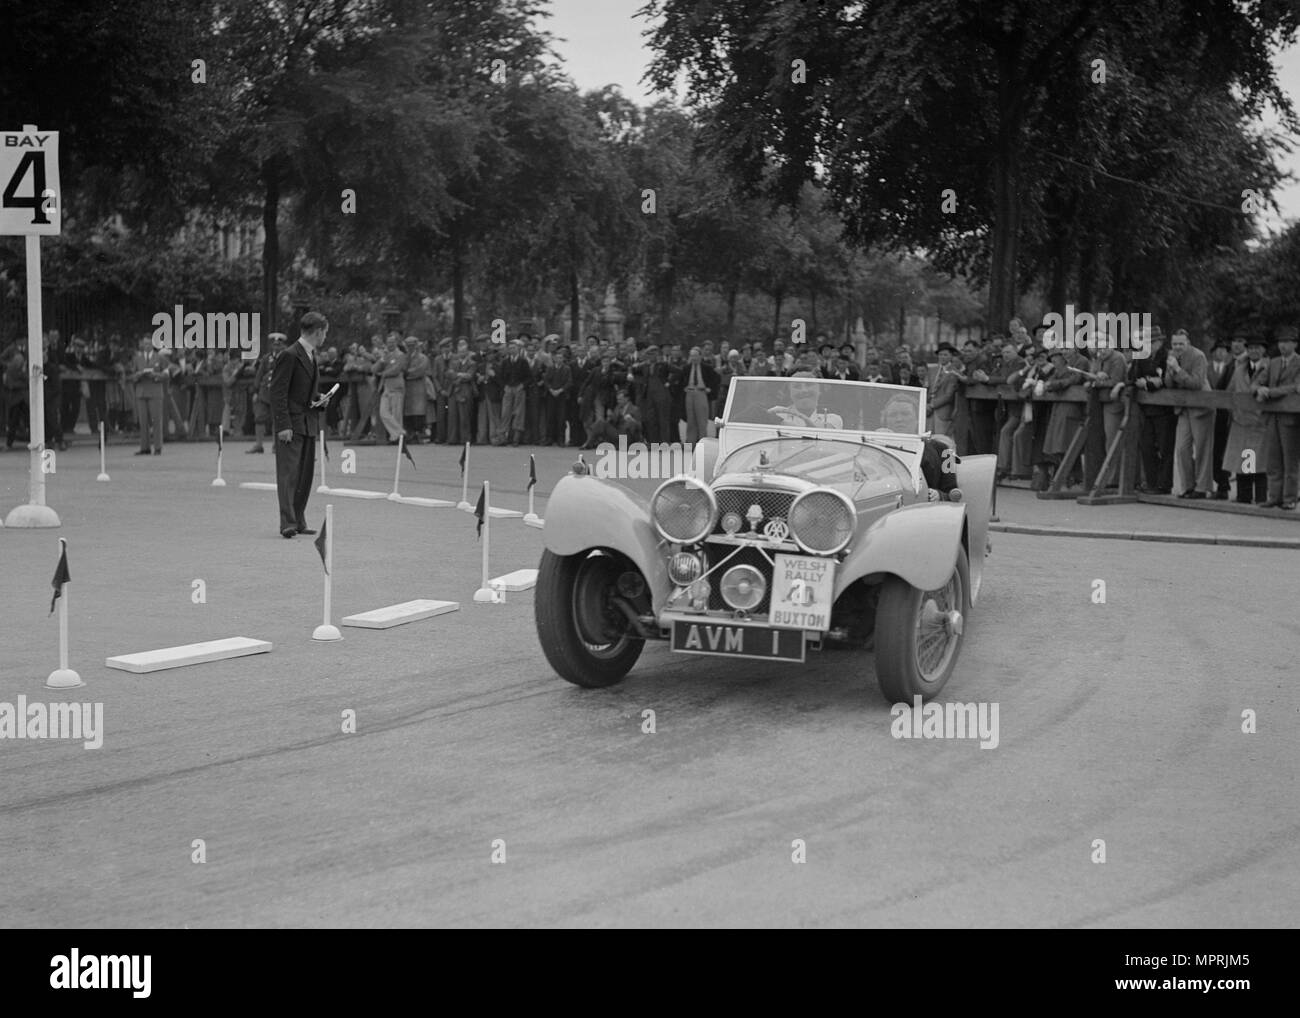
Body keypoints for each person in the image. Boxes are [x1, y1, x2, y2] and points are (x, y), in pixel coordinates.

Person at [271, 311, 332, 538]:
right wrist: (283, 425)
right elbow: (278, 393)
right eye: (324, 332)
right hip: (292, 424)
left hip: (308, 422)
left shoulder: (310, 354)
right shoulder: (289, 354)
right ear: (318, 332)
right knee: (288, 475)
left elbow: (305, 393)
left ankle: (298, 519)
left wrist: (319, 400)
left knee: (305, 475)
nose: (325, 337)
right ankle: (287, 522)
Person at [1167, 328, 1214, 499]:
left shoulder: (1198, 356)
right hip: (1183, 408)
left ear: (1188, 343)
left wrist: (1177, 370)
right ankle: (1187, 485)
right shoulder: (1172, 357)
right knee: (1181, 449)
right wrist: (1170, 371)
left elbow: (1196, 383)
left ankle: (1202, 487)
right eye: (1174, 344)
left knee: (1202, 449)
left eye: (1181, 343)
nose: (1177, 347)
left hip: (1201, 407)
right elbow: (1169, 384)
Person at [1223, 333, 1270, 504]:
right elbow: (1230, 393)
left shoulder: (1269, 367)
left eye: (1257, 348)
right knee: (1244, 459)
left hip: (1261, 423)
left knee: (1260, 463)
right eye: (1250, 348)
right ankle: (1244, 496)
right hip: (1241, 421)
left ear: (1263, 350)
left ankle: (1261, 497)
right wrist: (1233, 413)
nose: (1253, 351)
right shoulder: (1239, 369)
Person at [1257, 324, 1300, 509]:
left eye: (1287, 342)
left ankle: (1289, 498)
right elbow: (1257, 382)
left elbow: (1294, 387)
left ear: (1295, 344)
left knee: (1290, 460)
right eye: (1280, 342)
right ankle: (1274, 496)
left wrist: (1270, 392)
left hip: (1290, 419)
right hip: (1272, 417)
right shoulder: (1272, 362)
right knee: (1273, 459)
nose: (1282, 346)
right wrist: (1259, 389)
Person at [247, 333, 286, 453]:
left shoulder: (287, 358)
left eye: (278, 345)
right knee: (259, 418)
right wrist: (255, 391)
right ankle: (259, 445)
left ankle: (277, 445)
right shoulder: (266, 358)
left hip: (279, 393)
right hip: (264, 393)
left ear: (282, 345)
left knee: (277, 419)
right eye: (274, 345)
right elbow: (259, 375)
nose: (276, 347)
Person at [767, 371, 843, 428]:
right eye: (797, 386)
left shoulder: (833, 418)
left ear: (819, 390)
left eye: (809, 385)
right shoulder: (777, 415)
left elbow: (815, 432)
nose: (803, 390)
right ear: (790, 393)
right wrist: (768, 415)